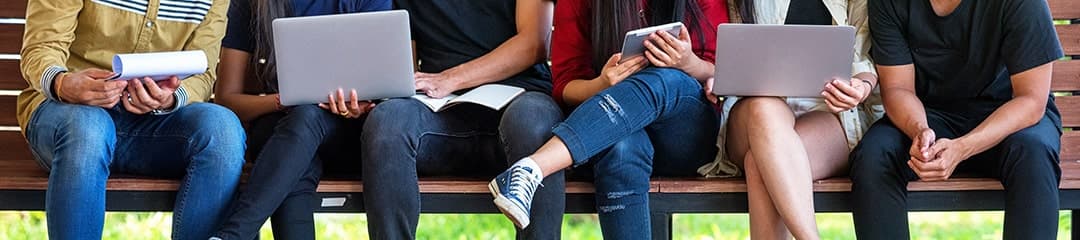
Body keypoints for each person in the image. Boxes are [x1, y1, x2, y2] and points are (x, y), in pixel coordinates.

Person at [489, 0, 728, 238]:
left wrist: (689, 64)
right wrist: (602, 84)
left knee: (668, 80)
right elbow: (565, 86)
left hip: (685, 136)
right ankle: (529, 171)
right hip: (611, 132)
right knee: (622, 148)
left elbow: (725, 69)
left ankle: (534, 167)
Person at [17, 0, 242, 239]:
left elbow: (203, 72)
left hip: (153, 127)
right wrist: (63, 83)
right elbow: (41, 48)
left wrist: (168, 99)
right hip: (68, 117)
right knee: (89, 128)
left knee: (222, 129)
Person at [850, 0, 1064, 239]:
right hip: (929, 115)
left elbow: (1031, 101)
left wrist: (962, 147)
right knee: (876, 154)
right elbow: (899, 89)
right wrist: (920, 131)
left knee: (1034, 152)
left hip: (1007, 117)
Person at [359, 0, 564, 239]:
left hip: (520, 100)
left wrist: (451, 78)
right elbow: (406, 64)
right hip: (440, 114)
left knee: (532, 121)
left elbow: (534, 43)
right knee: (387, 121)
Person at [696, 0, 880, 239]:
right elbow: (729, 47)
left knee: (761, 162)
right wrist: (719, 77)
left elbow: (863, 58)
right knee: (764, 111)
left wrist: (861, 87)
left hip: (825, 110)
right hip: (754, 108)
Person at [208, 0, 389, 239]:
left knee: (300, 131)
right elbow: (227, 100)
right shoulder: (253, 5)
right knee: (298, 137)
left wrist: (359, 106)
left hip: (349, 137)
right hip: (283, 131)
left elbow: (387, 84)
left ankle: (234, 234)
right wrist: (283, 100)